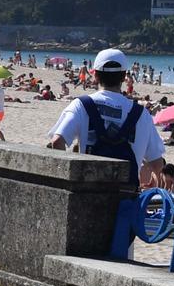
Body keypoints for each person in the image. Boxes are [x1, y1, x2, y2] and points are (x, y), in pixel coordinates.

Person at [46, 48, 165, 188]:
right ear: (124, 77)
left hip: (89, 195)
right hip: (125, 199)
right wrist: (156, 184)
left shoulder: (81, 105)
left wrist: (64, 182)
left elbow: (57, 141)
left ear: (95, 75)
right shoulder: (141, 114)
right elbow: (157, 164)